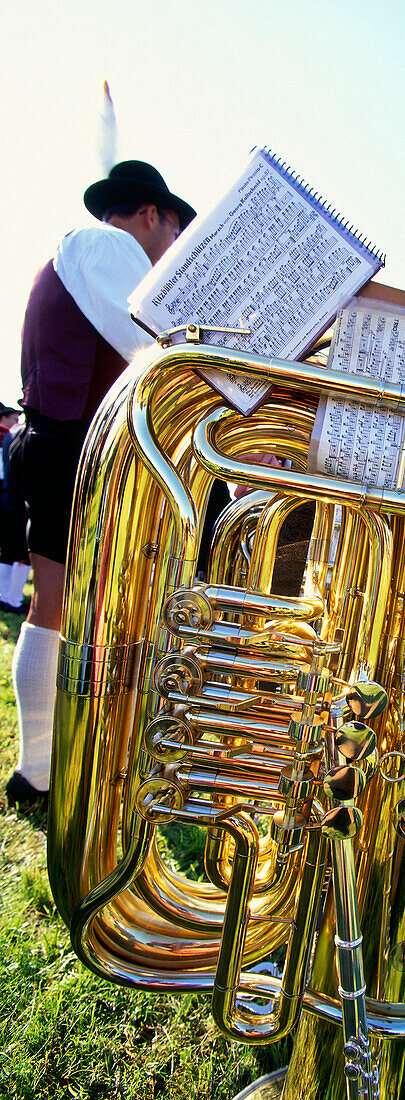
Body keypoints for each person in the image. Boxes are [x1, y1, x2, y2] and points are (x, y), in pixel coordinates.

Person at [6, 160, 196, 808]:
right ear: (151, 215)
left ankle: (44, 769)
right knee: (62, 609)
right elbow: (155, 348)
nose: (171, 250)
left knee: (59, 608)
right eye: (173, 233)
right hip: (69, 450)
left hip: (62, 445)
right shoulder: (105, 246)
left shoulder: (89, 253)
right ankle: (43, 770)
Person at [0, 409, 30, 613]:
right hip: (20, 499)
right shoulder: (20, 434)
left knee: (8, 551)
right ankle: (14, 600)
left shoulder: (10, 435)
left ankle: (5, 596)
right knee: (20, 552)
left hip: (7, 496)